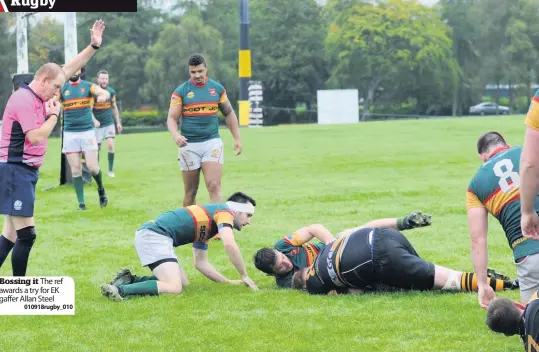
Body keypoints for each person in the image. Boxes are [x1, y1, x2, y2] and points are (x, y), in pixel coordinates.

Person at [0, 19, 106, 276]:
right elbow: (35, 137)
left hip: (23, 171)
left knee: (11, 234)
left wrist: (93, 45)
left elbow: (71, 67)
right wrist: (54, 117)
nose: (59, 92)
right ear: (44, 80)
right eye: (57, 87)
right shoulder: (24, 99)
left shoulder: (41, 92)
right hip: (15, 171)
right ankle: (19, 291)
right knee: (27, 235)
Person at [100, 192, 258, 301]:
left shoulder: (210, 221)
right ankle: (119, 291)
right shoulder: (224, 212)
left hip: (156, 236)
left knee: (183, 284)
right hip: (155, 236)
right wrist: (244, 275)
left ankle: (130, 280)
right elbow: (229, 244)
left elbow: (200, 263)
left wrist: (227, 282)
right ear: (236, 211)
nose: (249, 221)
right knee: (175, 288)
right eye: (248, 215)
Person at [291, 227, 519, 295]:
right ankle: (484, 278)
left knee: (444, 281)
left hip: (381, 257)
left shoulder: (311, 283)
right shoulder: (324, 250)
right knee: (420, 279)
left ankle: (505, 285)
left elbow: (355, 292)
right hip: (383, 235)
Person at [254, 211, 434, 288]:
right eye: (280, 266)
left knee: (357, 230)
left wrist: (332, 245)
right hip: (338, 267)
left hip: (333, 246)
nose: (286, 261)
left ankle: (406, 221)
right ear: (272, 274)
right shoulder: (285, 283)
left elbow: (314, 228)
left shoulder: (283, 246)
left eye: (282, 258)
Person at [466, 131, 539, 308]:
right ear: (506, 144)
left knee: (531, 322)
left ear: (482, 157)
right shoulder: (528, 153)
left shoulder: (474, 186)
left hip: (527, 256)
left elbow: (478, 239)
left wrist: (483, 284)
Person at [167, 53, 242, 209]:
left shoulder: (217, 89)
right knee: (190, 192)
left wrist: (237, 139)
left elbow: (229, 113)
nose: (197, 75)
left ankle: (219, 227)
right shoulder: (181, 92)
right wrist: (176, 136)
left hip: (212, 143)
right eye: (193, 72)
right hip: (188, 146)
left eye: (200, 71)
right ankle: (188, 230)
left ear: (206, 69)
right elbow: (172, 118)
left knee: (214, 185)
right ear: (189, 72)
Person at [57, 68, 111, 210]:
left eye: (76, 69)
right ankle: (81, 204)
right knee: (75, 170)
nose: (73, 72)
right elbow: (51, 100)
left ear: (80, 70)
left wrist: (102, 96)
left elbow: (103, 92)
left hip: (87, 132)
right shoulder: (62, 88)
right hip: (69, 133)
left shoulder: (88, 86)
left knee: (92, 167)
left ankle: (101, 189)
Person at [92, 70, 122, 178]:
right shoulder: (93, 92)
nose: (104, 80)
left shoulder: (111, 92)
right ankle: (96, 170)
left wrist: (118, 122)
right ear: (98, 79)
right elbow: (89, 109)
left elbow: (114, 107)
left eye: (106, 79)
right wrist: (94, 120)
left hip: (108, 122)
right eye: (102, 78)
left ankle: (110, 170)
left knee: (110, 144)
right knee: (96, 148)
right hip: (97, 125)